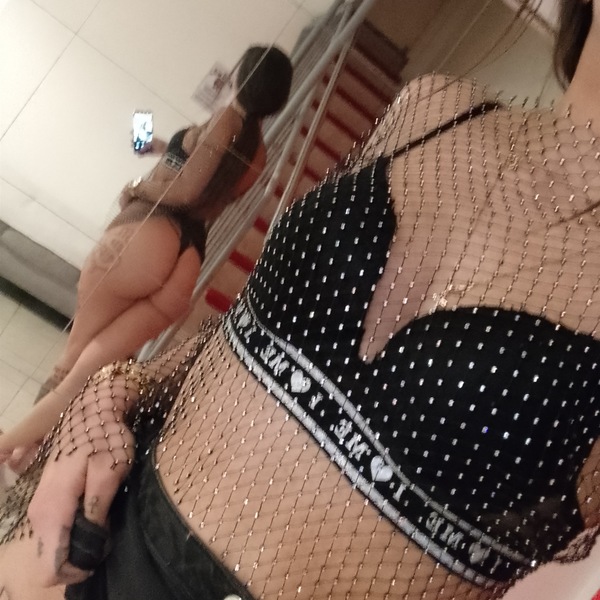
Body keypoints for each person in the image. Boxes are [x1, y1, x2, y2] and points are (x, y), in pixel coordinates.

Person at [0, 1, 599, 598]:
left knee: (82, 345)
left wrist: (146, 170)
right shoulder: (435, 109)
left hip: (157, 233)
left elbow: (180, 178)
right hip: (95, 536)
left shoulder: (220, 131)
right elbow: (239, 342)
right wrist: (114, 391)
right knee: (90, 359)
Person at [0, 45, 293, 471]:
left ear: (241, 75)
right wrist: (161, 147)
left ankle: (14, 448)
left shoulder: (225, 119)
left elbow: (187, 190)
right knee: (91, 374)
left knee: (70, 364)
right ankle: (27, 458)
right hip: (185, 259)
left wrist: (137, 188)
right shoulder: (259, 152)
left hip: (149, 236)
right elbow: (204, 185)